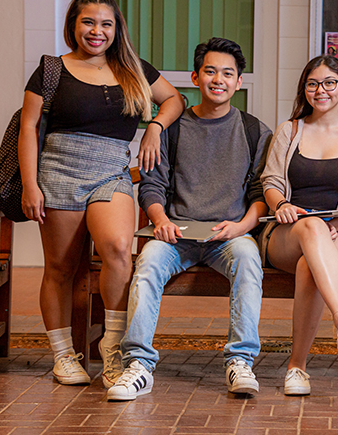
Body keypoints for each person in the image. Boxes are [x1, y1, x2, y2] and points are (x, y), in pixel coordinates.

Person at [18, 0, 184, 387]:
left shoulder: (132, 68)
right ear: (74, 25)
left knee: (116, 249)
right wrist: (30, 185)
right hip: (58, 172)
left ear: (117, 28)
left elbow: (175, 99)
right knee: (60, 267)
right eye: (88, 22)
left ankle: (113, 349)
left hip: (111, 172)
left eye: (106, 23)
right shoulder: (51, 70)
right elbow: (28, 128)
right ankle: (63, 354)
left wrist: (155, 127)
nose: (97, 31)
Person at [106, 37, 271, 401]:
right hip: (176, 234)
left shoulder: (255, 131)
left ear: (238, 82)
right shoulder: (173, 128)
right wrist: (160, 218)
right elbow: (152, 185)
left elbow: (262, 193)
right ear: (195, 78)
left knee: (248, 258)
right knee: (147, 262)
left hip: (229, 235)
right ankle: (137, 365)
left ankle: (240, 360)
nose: (218, 80)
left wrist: (243, 226)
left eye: (228, 73)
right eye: (210, 71)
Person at [260, 55, 338, 396]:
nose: (320, 90)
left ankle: (297, 368)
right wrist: (280, 204)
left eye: (329, 83)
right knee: (311, 228)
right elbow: (271, 183)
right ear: (304, 89)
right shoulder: (290, 130)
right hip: (287, 231)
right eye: (313, 83)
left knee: (309, 266)